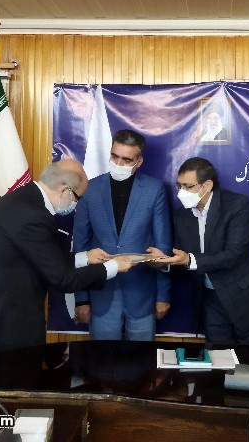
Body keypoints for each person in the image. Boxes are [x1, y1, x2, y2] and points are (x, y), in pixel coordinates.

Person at [0, 159, 133, 369]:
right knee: (3, 388)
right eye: (78, 198)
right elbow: (63, 279)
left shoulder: (23, 200)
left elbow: (40, 257)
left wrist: (85, 257)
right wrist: (113, 267)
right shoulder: (33, 216)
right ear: (65, 190)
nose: (76, 205)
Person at [149, 157, 249, 344]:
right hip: (210, 299)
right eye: (179, 186)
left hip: (246, 298)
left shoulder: (237, 205)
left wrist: (189, 260)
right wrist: (165, 262)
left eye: (188, 186)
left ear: (207, 185)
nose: (181, 193)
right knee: (217, 357)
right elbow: (183, 258)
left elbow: (233, 255)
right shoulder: (182, 216)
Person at [72, 129, 172, 340]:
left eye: (126, 160)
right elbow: (80, 247)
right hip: (101, 293)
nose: (118, 163)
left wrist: (163, 295)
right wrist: (81, 299)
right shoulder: (89, 189)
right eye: (114, 156)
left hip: (141, 294)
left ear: (139, 161)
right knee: (102, 358)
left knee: (142, 358)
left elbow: (163, 246)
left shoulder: (154, 190)